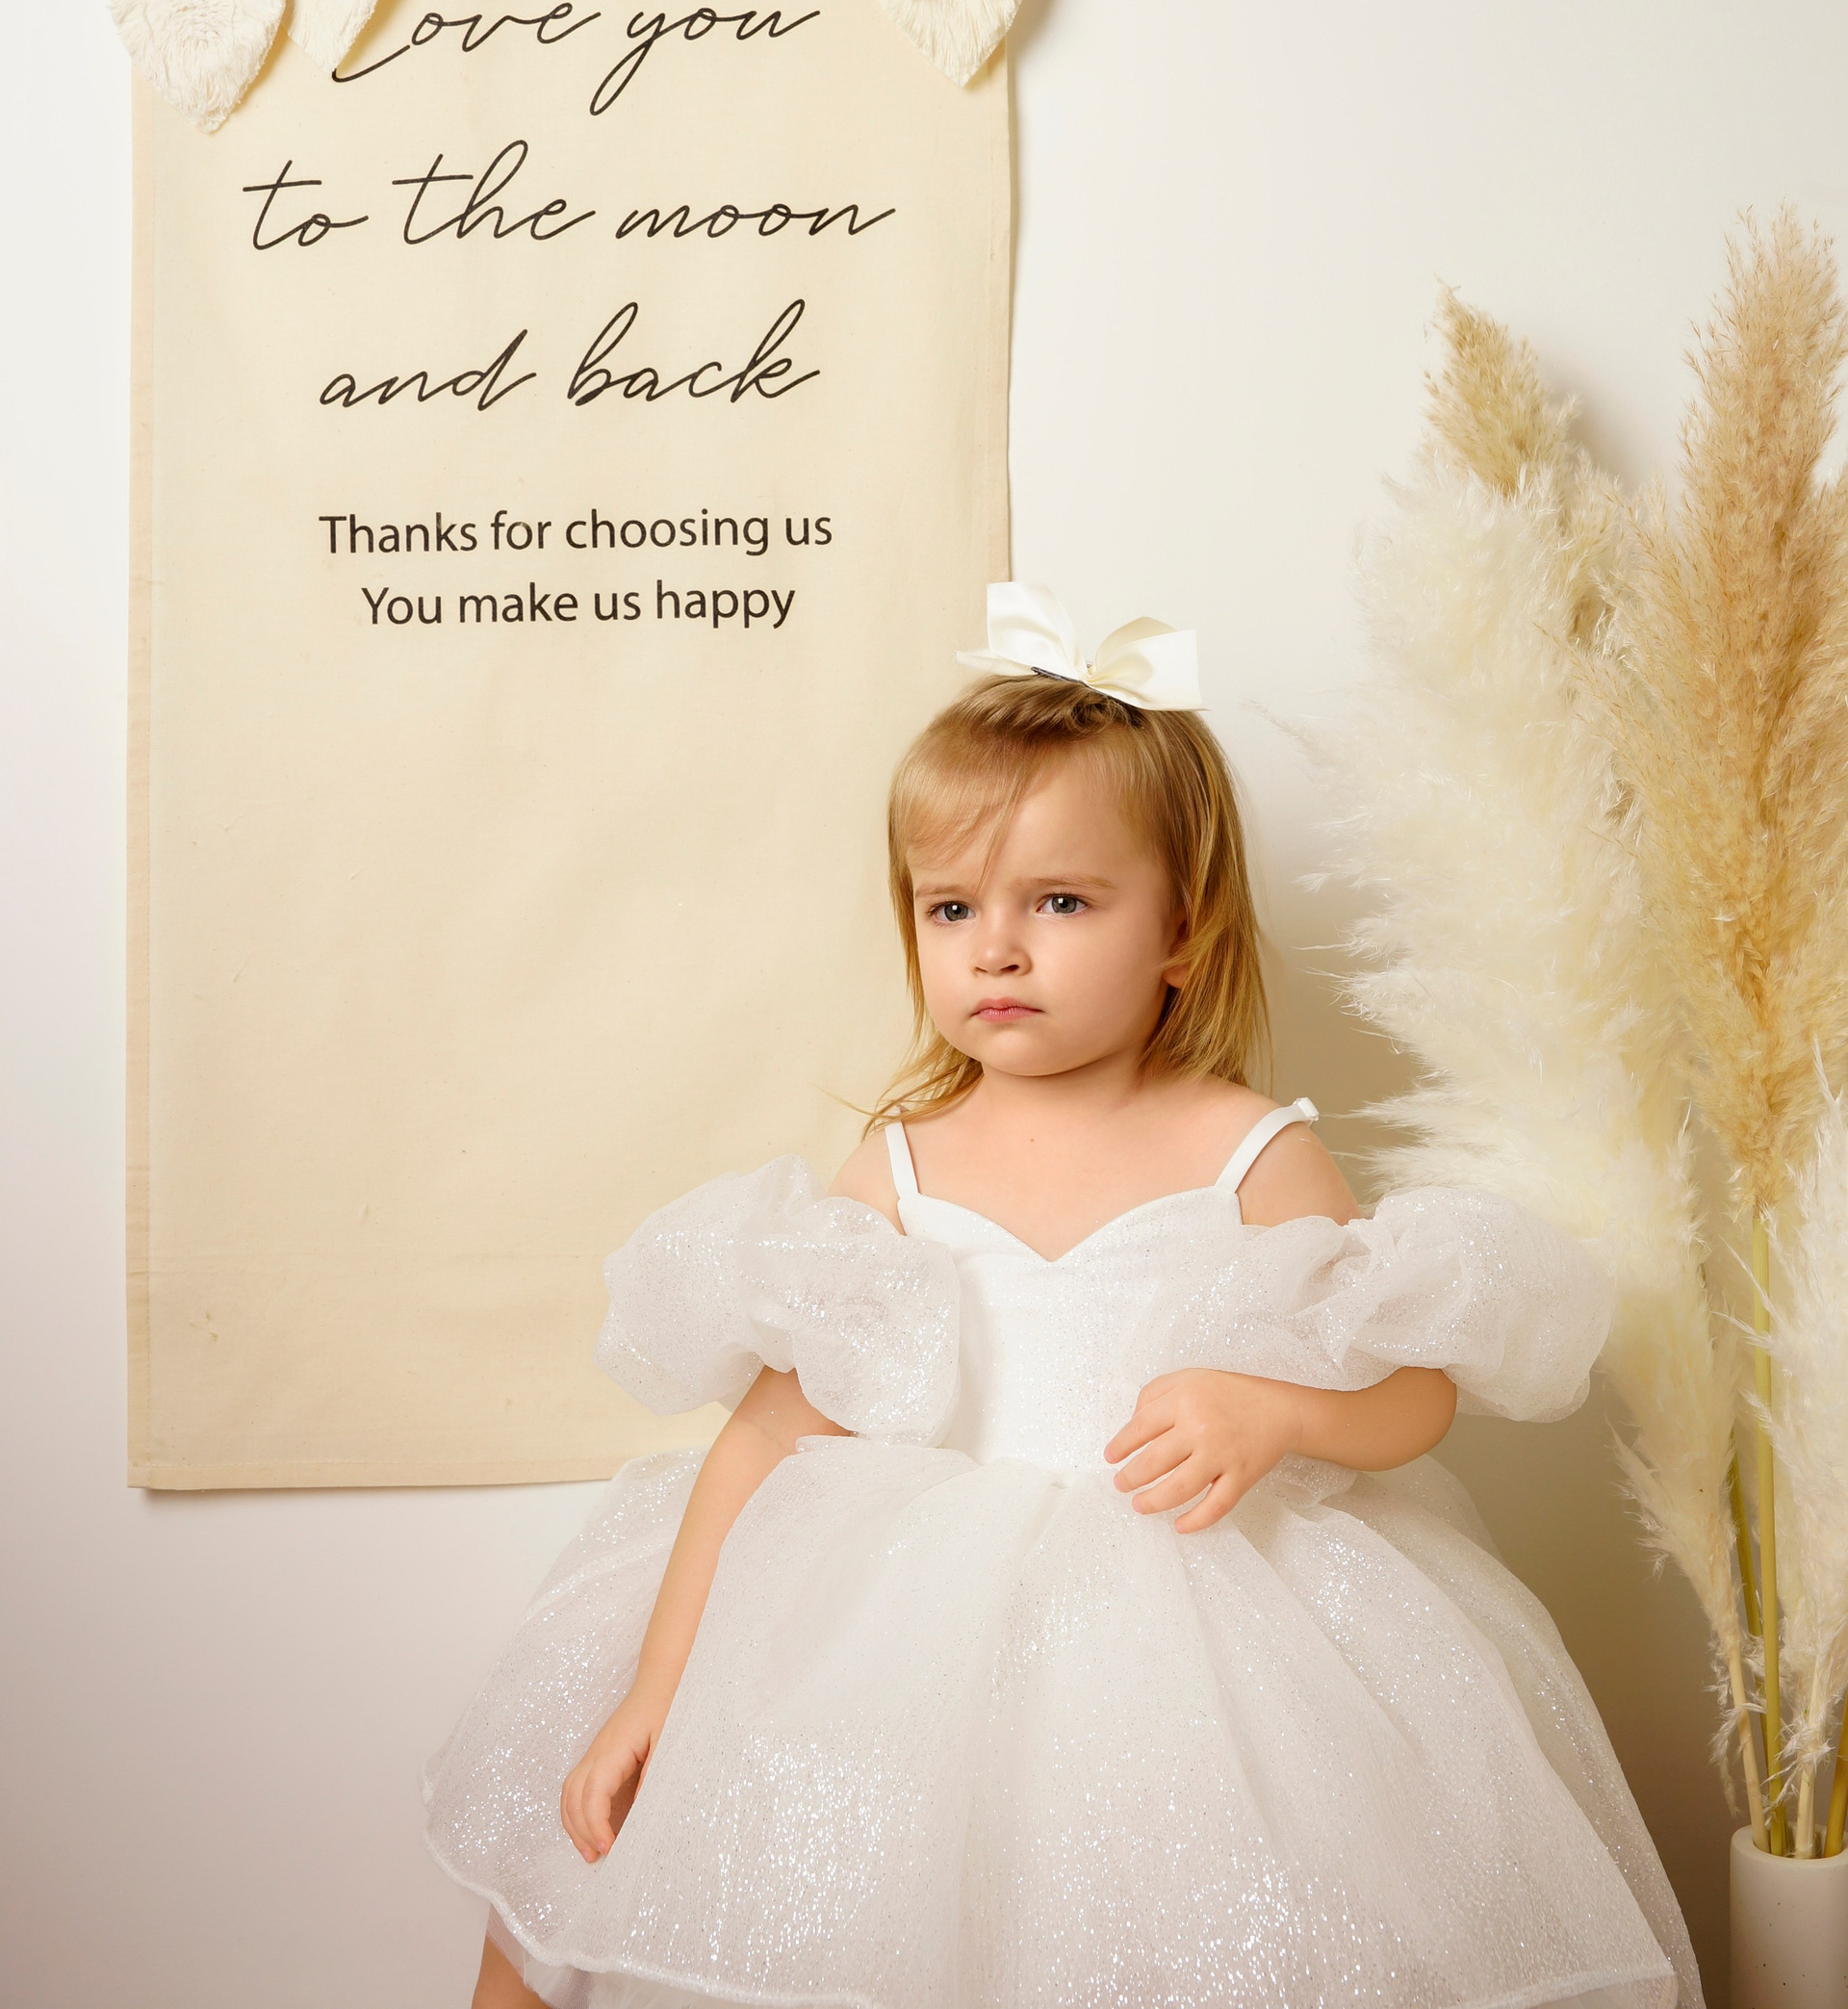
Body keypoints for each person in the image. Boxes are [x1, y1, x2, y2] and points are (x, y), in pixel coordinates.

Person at [427, 587, 1701, 2009]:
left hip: (1193, 1656)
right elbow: (771, 1435)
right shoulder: (899, 1167)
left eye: (1061, 903)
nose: (997, 948)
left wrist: (1277, 1412)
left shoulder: (1246, 1153)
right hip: (904, 1646)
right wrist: (663, 1688)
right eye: (951, 907)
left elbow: (1412, 1393)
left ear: (1182, 932)